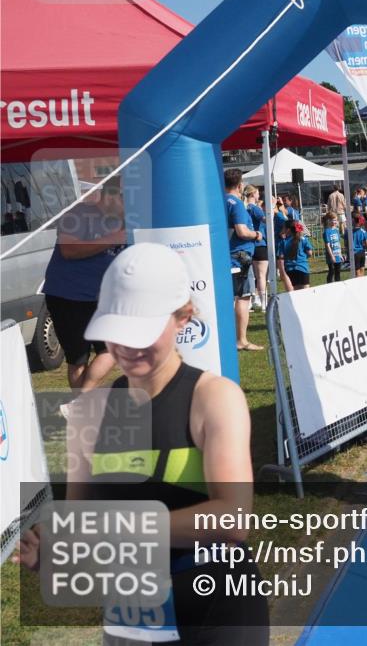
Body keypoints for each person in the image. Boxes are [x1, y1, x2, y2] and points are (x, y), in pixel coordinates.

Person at [18, 243, 268, 644]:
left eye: (143, 332)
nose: (129, 347)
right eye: (117, 332)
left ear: (182, 318)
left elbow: (232, 519)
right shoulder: (90, 412)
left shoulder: (213, 398)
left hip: (217, 603)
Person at [43, 176, 126, 391]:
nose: (129, 205)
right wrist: (113, 238)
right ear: (109, 196)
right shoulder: (79, 214)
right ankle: (83, 405)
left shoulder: (125, 222)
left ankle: (81, 401)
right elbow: (69, 250)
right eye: (125, 198)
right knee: (78, 360)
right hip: (68, 297)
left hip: (101, 299)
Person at [224, 169, 262, 351]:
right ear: (239, 185)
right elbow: (241, 230)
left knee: (230, 297)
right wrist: (256, 235)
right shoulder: (236, 203)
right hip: (240, 257)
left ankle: (229, 338)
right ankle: (241, 340)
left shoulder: (220, 201)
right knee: (243, 297)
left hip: (228, 255)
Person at [243, 185, 268, 311]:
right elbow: (267, 220)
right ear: (253, 194)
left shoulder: (244, 208)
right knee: (262, 276)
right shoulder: (255, 208)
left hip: (250, 245)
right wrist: (272, 208)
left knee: (252, 276)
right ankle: (264, 303)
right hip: (260, 244)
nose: (259, 196)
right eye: (258, 193)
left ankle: (253, 300)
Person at [277, 220, 313, 290]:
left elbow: (281, 258)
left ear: (288, 230)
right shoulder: (303, 239)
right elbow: (310, 253)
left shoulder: (283, 242)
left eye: (283, 228)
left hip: (290, 270)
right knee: (305, 293)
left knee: (294, 295)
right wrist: (304, 257)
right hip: (303, 268)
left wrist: (282, 272)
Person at [322, 213, 344, 284]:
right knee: (332, 271)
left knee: (338, 272)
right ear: (328, 220)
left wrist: (340, 254)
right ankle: (329, 286)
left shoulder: (336, 230)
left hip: (338, 255)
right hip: (331, 256)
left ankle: (338, 285)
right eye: (333, 220)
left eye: (336, 220)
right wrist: (332, 256)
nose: (335, 222)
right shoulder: (326, 232)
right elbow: (327, 245)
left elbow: (338, 243)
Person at [351, 211, 367, 277]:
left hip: (355, 253)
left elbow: (346, 243)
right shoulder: (364, 232)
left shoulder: (350, 232)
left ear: (353, 221)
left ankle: (358, 284)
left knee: (357, 271)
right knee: (362, 268)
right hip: (362, 252)